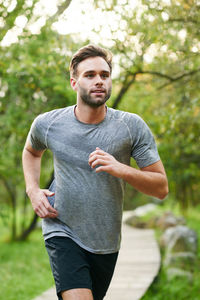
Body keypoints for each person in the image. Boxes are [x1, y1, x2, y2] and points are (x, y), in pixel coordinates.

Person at [22, 44, 168, 300]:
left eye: (104, 75)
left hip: (105, 242)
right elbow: (31, 151)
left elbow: (160, 188)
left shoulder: (131, 127)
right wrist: (33, 190)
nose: (99, 81)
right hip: (61, 228)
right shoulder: (49, 124)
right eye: (90, 75)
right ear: (74, 82)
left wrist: (121, 169)